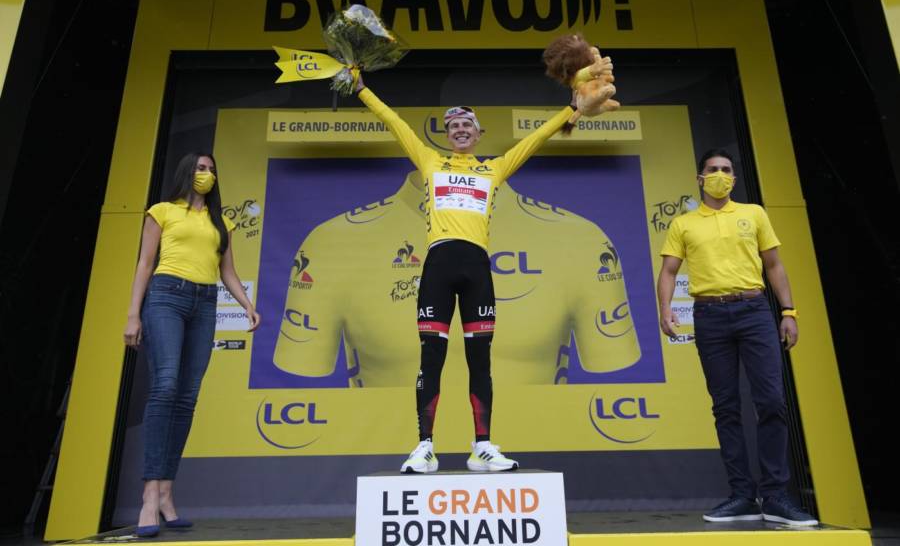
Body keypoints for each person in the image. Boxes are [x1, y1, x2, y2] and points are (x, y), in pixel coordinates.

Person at [352, 62, 614, 473]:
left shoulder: (494, 169)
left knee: (480, 361)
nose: (459, 130)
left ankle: (483, 447)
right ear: (446, 134)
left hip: (476, 267)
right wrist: (361, 89)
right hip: (438, 265)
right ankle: (424, 447)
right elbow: (395, 123)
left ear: (477, 134)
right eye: (453, 126)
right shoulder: (430, 162)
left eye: (466, 126)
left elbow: (535, 139)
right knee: (431, 358)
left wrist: (572, 109)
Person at [272, 171, 641, 386]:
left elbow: (612, 372)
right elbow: (303, 376)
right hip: (390, 452)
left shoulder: (580, 237)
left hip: (533, 452)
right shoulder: (332, 241)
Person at [656, 148, 817, 526]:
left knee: (771, 401)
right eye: (713, 169)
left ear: (734, 178)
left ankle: (775, 496)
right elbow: (668, 272)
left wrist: (789, 312)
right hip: (709, 315)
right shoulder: (683, 223)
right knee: (726, 407)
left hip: (754, 311)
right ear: (700, 178)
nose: (720, 174)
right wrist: (665, 309)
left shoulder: (754, 213)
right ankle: (742, 495)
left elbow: (774, 265)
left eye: (726, 169)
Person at [123, 153, 261, 536]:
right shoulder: (163, 211)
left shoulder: (221, 221)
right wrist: (133, 314)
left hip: (205, 302)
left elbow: (227, 271)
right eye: (201, 168)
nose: (207, 175)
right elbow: (145, 263)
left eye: (212, 170)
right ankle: (150, 495)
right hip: (166, 295)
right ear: (187, 171)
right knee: (166, 385)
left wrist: (248, 305)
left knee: (187, 397)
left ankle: (167, 493)